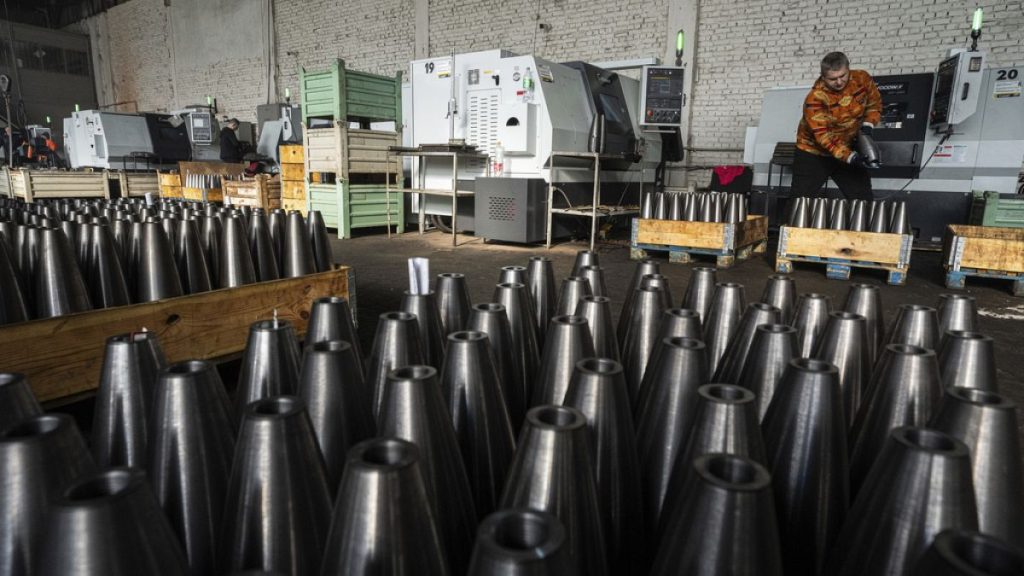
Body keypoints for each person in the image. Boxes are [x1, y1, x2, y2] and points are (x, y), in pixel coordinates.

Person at [792, 52, 882, 200]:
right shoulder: (815, 98)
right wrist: (851, 158)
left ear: (848, 69)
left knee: (862, 198)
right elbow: (823, 136)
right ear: (823, 76)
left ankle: (863, 223)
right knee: (800, 201)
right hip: (814, 152)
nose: (839, 82)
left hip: (846, 146)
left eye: (843, 76)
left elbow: (874, 104)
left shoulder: (862, 79)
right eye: (833, 79)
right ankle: (789, 223)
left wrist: (867, 125)